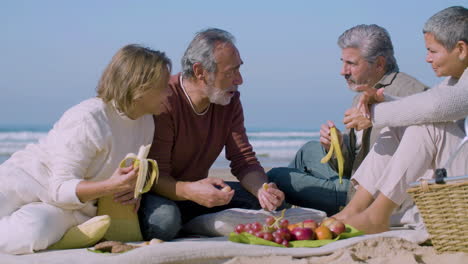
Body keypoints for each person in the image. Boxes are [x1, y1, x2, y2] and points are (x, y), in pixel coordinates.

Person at [0, 44, 172, 254]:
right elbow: (60, 188)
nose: (170, 92)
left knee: (32, 233)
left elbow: (118, 174)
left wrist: (132, 192)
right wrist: (111, 186)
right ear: (140, 88)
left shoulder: (146, 123)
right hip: (26, 181)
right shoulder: (89, 118)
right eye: (163, 85)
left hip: (71, 208)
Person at [138, 28, 285, 241]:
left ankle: (195, 221)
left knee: (264, 204)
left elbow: (243, 159)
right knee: (166, 222)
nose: (239, 79)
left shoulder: (229, 100)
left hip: (198, 192)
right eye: (230, 72)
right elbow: (155, 177)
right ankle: (190, 222)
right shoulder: (165, 99)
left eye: (239, 69)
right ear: (200, 72)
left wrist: (262, 190)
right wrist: (191, 191)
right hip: (158, 193)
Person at [267, 24, 427, 216]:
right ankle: (284, 211)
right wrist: (335, 147)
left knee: (276, 176)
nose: (343, 71)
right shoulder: (361, 92)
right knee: (308, 150)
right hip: (355, 178)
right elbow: (352, 164)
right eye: (343, 62)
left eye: (351, 63)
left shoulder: (412, 93)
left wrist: (377, 117)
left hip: (371, 197)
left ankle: (280, 213)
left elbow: (420, 152)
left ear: (379, 64)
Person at [334, 5, 468, 234]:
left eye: (433, 51)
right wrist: (381, 100)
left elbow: (436, 106)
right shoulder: (456, 79)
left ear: (461, 49)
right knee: (400, 126)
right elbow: (429, 101)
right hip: (457, 173)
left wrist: (373, 116)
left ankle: (378, 215)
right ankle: (353, 210)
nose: (427, 59)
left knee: (424, 126)